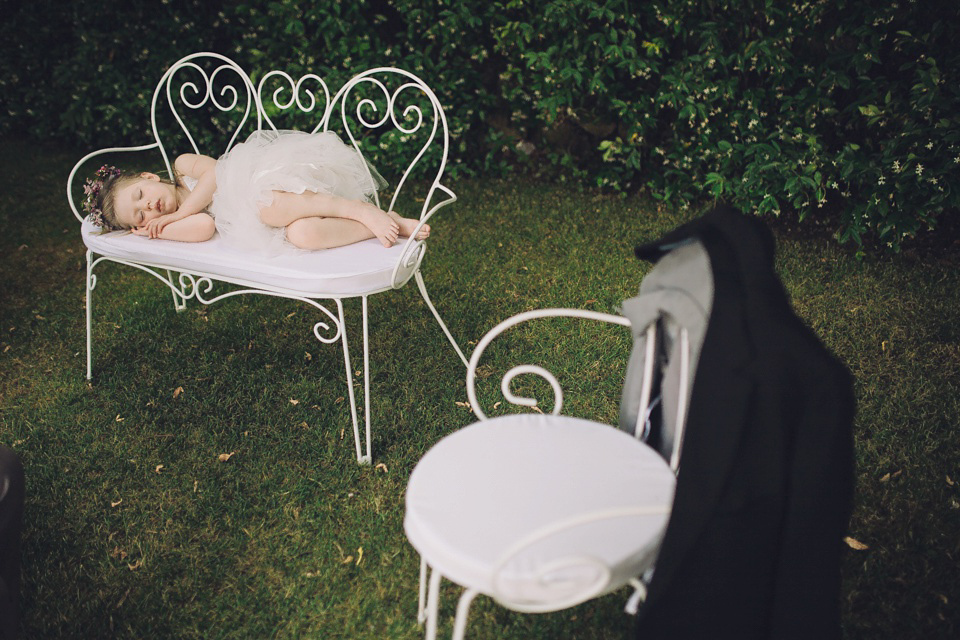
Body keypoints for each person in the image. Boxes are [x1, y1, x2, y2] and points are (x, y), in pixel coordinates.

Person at [83, 130, 430, 255]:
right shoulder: (179, 219)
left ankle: (358, 209)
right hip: (283, 219)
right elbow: (204, 229)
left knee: (266, 205)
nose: (149, 206)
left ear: (148, 176)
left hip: (278, 180)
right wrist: (161, 231)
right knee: (303, 235)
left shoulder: (182, 166)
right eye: (141, 216)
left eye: (141, 195)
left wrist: (177, 213)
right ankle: (389, 221)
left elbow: (216, 173)